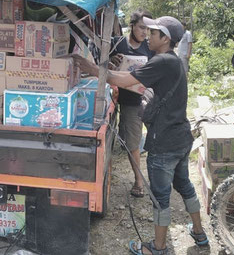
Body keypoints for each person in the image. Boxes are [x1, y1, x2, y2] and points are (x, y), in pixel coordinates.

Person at [73, 16, 206, 255]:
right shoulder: (173, 61)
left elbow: (125, 80)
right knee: (184, 184)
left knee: (160, 196)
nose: (148, 35)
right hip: (181, 137)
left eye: (153, 33)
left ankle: (158, 247)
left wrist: (94, 69)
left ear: (165, 39)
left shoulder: (163, 61)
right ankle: (199, 233)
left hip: (164, 141)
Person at [110, 10, 155, 198]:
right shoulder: (118, 43)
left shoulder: (150, 47)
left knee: (143, 141)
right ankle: (138, 179)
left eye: (147, 29)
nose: (144, 32)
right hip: (122, 100)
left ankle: (147, 178)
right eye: (141, 28)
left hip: (141, 100)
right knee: (129, 139)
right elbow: (103, 63)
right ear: (132, 26)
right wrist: (111, 61)